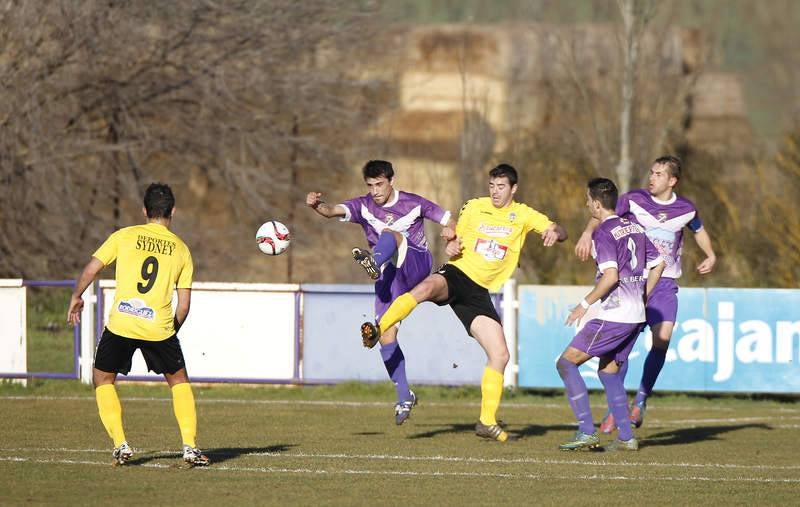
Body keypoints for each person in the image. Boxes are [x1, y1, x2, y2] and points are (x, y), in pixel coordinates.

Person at [361, 163, 568, 441]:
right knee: (426, 288)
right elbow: (455, 236)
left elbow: (559, 229)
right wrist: (451, 241)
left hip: (479, 293)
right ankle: (379, 328)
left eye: (501, 187)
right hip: (458, 274)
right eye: (492, 186)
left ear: (514, 189)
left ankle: (486, 421)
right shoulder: (474, 206)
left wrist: (555, 233)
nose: (495, 191)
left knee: (500, 355)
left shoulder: (523, 214)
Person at [66, 183, 209, 467]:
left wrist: (77, 295)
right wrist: (168, 333)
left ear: (144, 210)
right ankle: (190, 447)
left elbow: (92, 268)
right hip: (159, 327)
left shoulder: (124, 236)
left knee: (102, 380)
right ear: (173, 211)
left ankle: (120, 444)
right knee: (179, 382)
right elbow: (183, 306)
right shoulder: (181, 250)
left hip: (122, 323)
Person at [306, 160, 455, 425]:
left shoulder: (413, 202)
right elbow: (332, 211)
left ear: (391, 181)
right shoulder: (363, 206)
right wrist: (317, 205)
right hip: (389, 276)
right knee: (384, 335)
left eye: (379, 184)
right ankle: (404, 396)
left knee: (391, 234)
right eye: (370, 185)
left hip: (416, 262)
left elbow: (448, 219)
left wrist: (451, 232)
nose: (375, 191)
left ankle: (373, 261)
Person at [574, 156, 716, 432]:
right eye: (652, 172)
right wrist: (587, 233)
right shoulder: (632, 199)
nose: (652, 178)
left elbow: (699, 230)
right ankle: (616, 408)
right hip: (634, 284)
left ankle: (640, 401)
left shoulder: (686, 209)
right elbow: (602, 214)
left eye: (659, 174)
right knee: (621, 349)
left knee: (662, 340)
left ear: (673, 180)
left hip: (665, 283)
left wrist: (710, 254)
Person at [558, 178, 665, 452]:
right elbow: (659, 263)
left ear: (596, 204)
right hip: (636, 315)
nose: (586, 205)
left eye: (587, 200)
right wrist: (643, 295)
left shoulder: (604, 231)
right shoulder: (635, 228)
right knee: (608, 372)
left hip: (615, 315)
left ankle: (586, 431)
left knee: (566, 363)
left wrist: (584, 304)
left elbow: (611, 277)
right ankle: (627, 437)